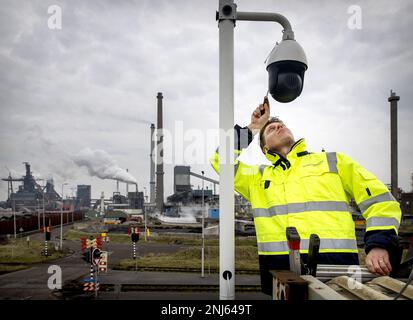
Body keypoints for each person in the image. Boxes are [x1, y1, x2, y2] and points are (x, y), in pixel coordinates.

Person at [210, 97, 402, 295]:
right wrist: (253, 127)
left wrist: (380, 244)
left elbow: (381, 201)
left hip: (339, 271)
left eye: (281, 125)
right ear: (264, 148)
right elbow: (219, 160)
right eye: (271, 129)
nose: (278, 127)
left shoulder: (332, 162)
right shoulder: (257, 178)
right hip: (281, 278)